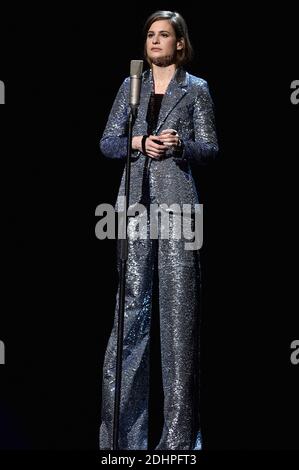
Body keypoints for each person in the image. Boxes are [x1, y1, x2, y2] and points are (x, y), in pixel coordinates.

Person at [99, 10, 218, 450]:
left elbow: (211, 148)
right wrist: (137, 142)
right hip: (132, 209)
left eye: (164, 34)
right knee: (130, 313)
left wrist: (181, 145)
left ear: (180, 44)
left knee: (178, 318)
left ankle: (178, 442)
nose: (154, 40)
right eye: (150, 34)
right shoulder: (130, 86)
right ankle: (120, 440)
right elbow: (108, 142)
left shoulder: (196, 89)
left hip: (178, 210)